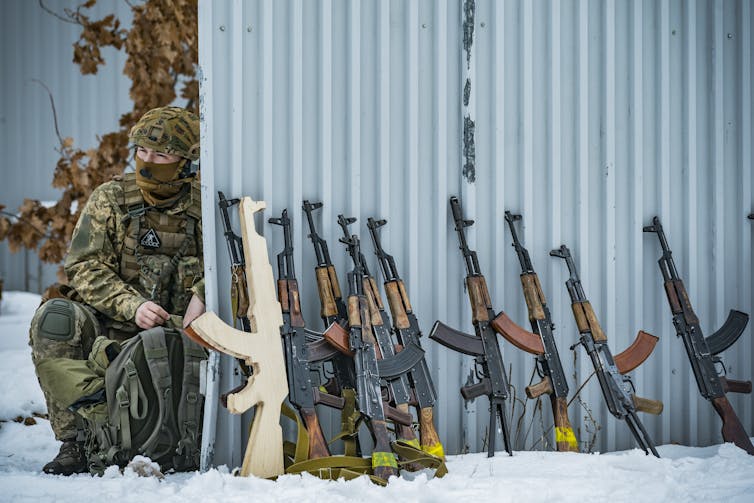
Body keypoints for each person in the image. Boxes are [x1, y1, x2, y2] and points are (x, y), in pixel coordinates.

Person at [29, 106, 205, 475]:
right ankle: (75, 442)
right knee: (57, 317)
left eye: (160, 154)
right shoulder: (111, 198)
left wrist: (202, 296)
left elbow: (234, 267)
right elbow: (84, 266)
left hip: (180, 334)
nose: (147, 160)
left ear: (187, 159)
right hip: (113, 329)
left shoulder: (204, 205)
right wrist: (132, 305)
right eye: (141, 150)